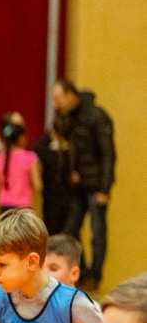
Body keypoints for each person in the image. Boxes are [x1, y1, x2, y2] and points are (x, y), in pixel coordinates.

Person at [53, 79, 116, 289]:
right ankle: (81, 271)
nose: (55, 104)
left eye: (58, 98)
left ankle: (94, 276)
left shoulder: (97, 116)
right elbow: (69, 148)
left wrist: (105, 188)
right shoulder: (67, 118)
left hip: (96, 185)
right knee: (70, 231)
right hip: (78, 185)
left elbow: (107, 153)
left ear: (70, 95)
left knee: (97, 232)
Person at [0, 111, 40, 213]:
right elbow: (37, 185)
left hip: (4, 207)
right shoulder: (30, 157)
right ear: (21, 137)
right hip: (24, 208)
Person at [33, 115, 74, 236]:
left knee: (59, 233)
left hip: (59, 199)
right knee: (61, 232)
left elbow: (37, 147)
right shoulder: (68, 151)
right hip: (59, 199)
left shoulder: (50, 151)